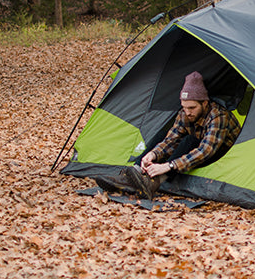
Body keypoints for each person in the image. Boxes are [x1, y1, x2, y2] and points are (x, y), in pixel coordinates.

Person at [94, 71, 241, 198]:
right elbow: (171, 139)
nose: (188, 112)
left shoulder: (218, 116)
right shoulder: (185, 113)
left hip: (222, 158)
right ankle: (133, 173)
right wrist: (153, 155)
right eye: (184, 107)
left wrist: (168, 166)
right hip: (193, 156)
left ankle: (155, 182)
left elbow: (205, 151)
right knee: (163, 135)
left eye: (192, 107)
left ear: (204, 103)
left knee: (190, 140)